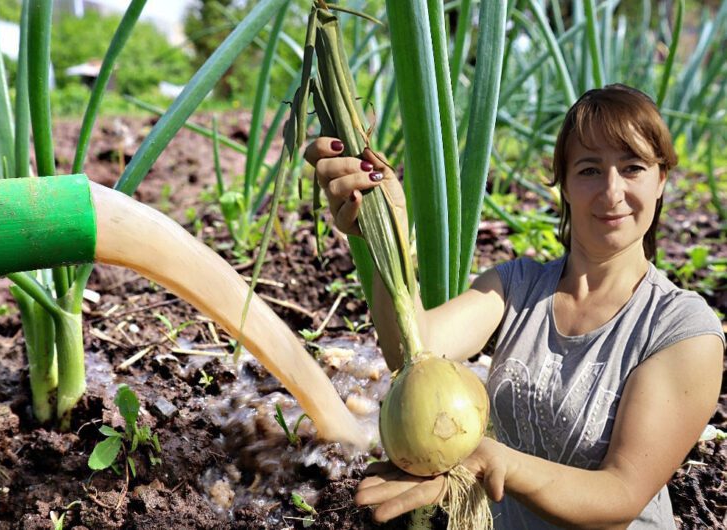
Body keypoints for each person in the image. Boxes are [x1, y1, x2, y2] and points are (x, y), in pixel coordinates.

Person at [304, 84, 725, 528]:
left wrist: (492, 462)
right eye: (589, 170)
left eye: (633, 167)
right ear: (563, 183)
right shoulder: (516, 287)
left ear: (661, 180)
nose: (612, 190)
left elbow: (620, 494)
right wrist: (384, 225)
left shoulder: (682, 328)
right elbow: (415, 351)